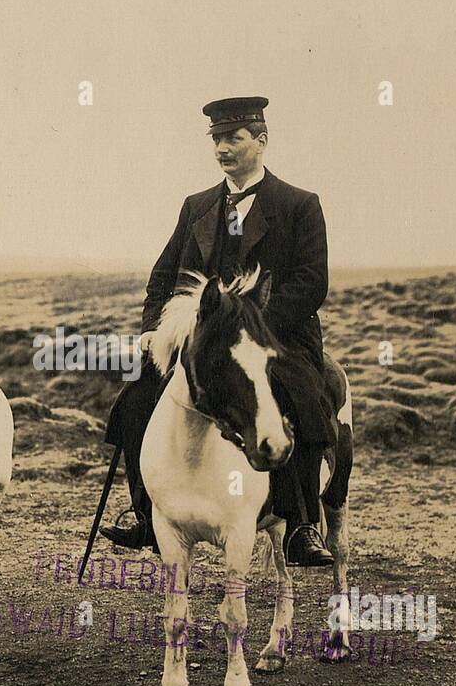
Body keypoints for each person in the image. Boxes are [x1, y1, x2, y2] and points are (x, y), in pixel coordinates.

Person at [101, 96, 336, 567]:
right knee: (136, 397)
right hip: (204, 342)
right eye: (216, 139)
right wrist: (153, 329)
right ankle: (145, 512)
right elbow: (163, 277)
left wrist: (248, 327)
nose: (222, 148)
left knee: (300, 398)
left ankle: (302, 523)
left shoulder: (298, 205)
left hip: (276, 337)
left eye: (234, 138)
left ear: (261, 141)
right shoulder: (197, 206)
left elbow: (312, 282)